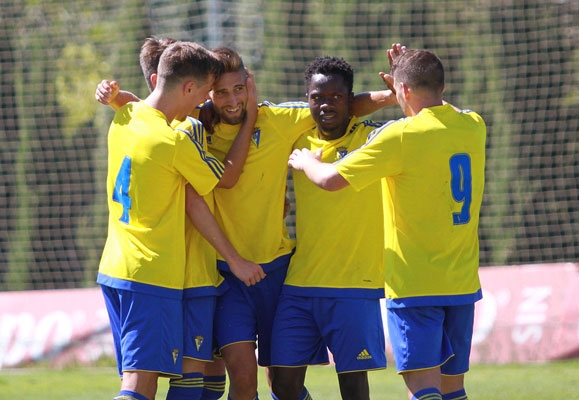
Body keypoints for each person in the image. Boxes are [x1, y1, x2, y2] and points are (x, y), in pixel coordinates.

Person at [97, 45, 395, 400]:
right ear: (206, 94)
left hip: (276, 270)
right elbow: (219, 174)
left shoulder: (278, 119)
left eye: (239, 89)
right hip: (225, 273)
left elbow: (333, 104)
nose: (232, 99)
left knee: (283, 384)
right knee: (241, 375)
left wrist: (393, 96)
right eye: (221, 92)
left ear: (250, 84)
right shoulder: (194, 128)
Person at [288, 44, 487, 400]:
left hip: (415, 286)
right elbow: (443, 104)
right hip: (462, 282)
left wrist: (305, 162)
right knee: (453, 390)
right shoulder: (473, 125)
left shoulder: (399, 136)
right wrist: (406, 78)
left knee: (423, 389)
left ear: (403, 90)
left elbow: (330, 180)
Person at [97, 41, 265, 400]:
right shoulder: (174, 143)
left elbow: (131, 103)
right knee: (139, 386)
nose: (204, 103)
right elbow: (217, 185)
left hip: (114, 270)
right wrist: (235, 260)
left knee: (145, 379)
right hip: (150, 276)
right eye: (204, 93)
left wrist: (116, 96)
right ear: (189, 87)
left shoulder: (124, 117)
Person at [270, 56, 388, 400]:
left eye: (336, 97)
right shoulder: (297, 140)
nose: (325, 105)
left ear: (351, 102)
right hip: (300, 283)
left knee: (352, 387)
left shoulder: (373, 140)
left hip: (354, 284)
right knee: (282, 384)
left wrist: (393, 95)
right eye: (317, 97)